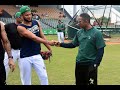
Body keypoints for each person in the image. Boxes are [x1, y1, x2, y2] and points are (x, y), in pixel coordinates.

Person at [54, 13, 106, 85]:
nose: (78, 24)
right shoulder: (79, 32)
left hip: (90, 64)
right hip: (79, 63)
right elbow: (72, 44)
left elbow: (101, 50)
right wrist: (60, 44)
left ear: (86, 21)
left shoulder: (96, 33)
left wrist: (96, 64)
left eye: (79, 21)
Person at [17, 5, 54, 85]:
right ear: (22, 16)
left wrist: (50, 49)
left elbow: (42, 36)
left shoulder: (36, 22)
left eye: (30, 14)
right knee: (26, 81)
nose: (29, 16)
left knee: (44, 76)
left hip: (37, 55)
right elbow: (34, 38)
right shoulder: (20, 27)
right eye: (26, 15)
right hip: (25, 57)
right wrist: (49, 42)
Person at [4, 12, 23, 81]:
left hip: (23, 51)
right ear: (16, 17)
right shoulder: (9, 26)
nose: (22, 18)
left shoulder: (25, 27)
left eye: (22, 16)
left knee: (24, 71)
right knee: (5, 68)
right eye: (20, 16)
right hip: (11, 51)